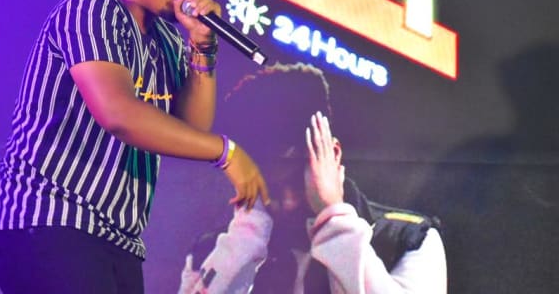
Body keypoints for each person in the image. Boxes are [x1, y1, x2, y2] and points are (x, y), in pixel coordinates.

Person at [0, 0, 270, 294]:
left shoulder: (168, 40)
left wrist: (203, 45)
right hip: (49, 220)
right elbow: (118, 114)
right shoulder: (92, 9)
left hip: (117, 238)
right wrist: (227, 153)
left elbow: (191, 128)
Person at [179, 64, 446, 294]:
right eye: (271, 189)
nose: (289, 202)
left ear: (333, 154)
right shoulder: (211, 252)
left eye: (297, 183)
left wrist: (334, 218)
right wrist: (245, 240)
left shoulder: (406, 240)